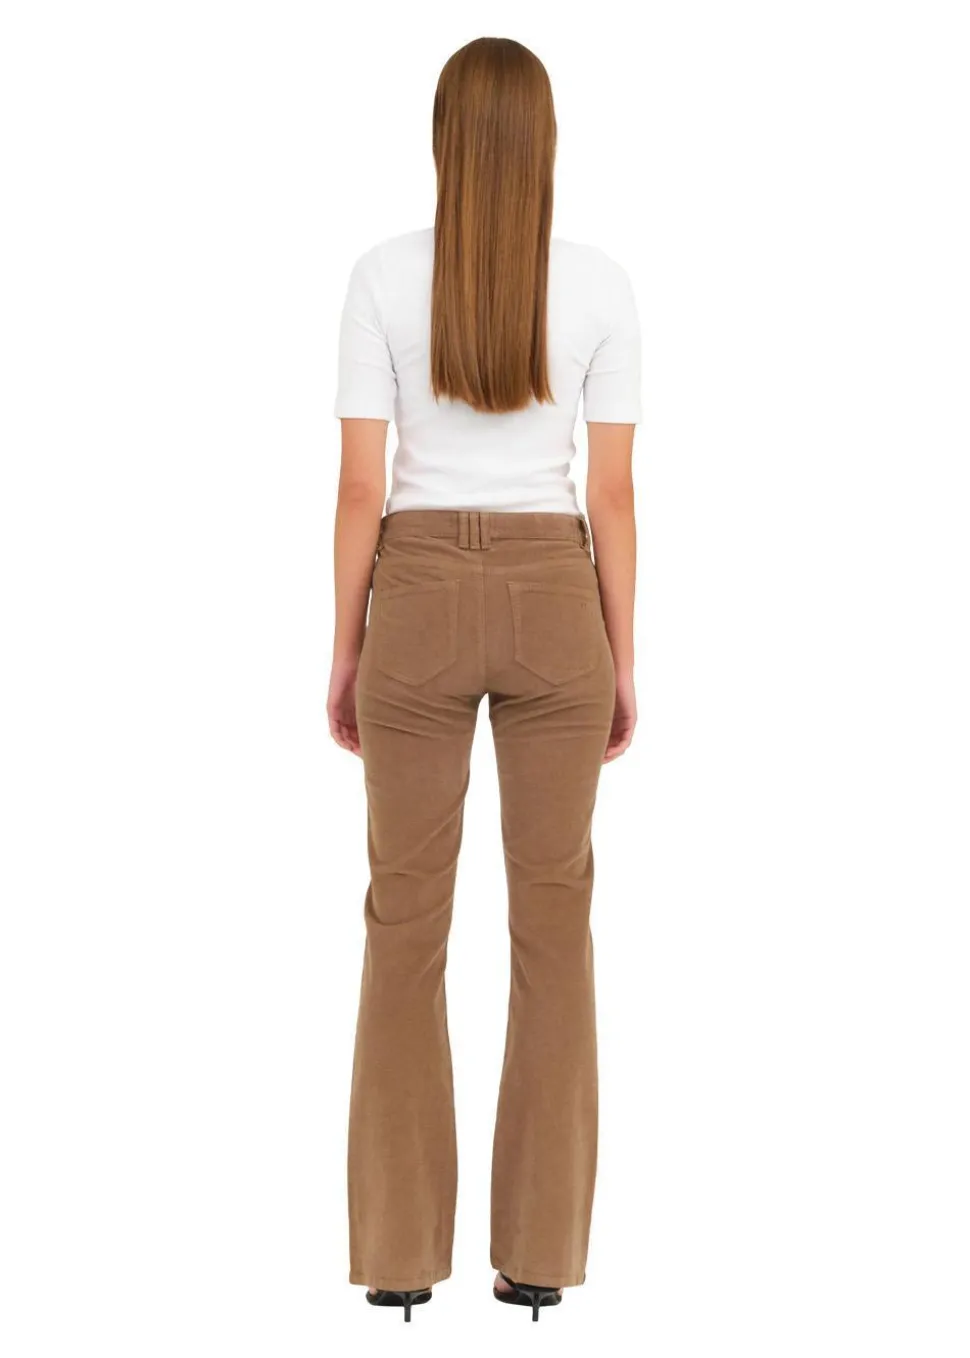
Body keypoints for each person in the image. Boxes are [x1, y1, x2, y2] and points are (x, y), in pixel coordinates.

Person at [327, 36, 641, 1324]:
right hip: (559, 596)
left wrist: (346, 648)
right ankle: (540, 1259)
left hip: (412, 596)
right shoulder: (601, 286)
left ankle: (400, 1258)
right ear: (546, 142)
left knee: (404, 925)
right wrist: (624, 655)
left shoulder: (380, 278)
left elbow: (361, 486)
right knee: (553, 925)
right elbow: (611, 495)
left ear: (444, 139)